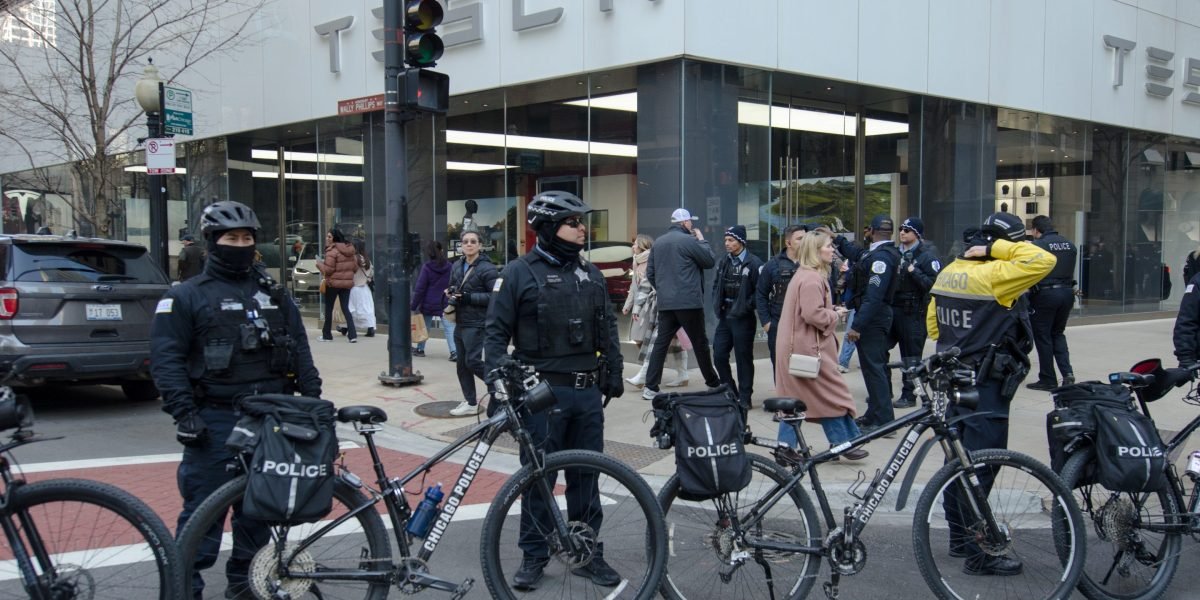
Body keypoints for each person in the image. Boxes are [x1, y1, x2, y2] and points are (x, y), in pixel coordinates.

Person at [150, 200, 322, 598]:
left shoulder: (273, 293)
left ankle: (245, 591)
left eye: (247, 238)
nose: (240, 244)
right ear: (213, 242)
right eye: (232, 237)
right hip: (216, 422)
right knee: (201, 519)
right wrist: (184, 414)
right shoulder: (186, 296)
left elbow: (299, 348)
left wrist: (312, 403)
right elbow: (166, 358)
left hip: (272, 422)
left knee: (257, 519)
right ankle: (182, 592)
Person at [484, 191, 624, 590]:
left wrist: (612, 368)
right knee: (538, 480)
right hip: (541, 395)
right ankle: (534, 554)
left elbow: (608, 328)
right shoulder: (518, 273)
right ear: (547, 228)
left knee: (588, 477)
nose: (583, 229)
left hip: (587, 394)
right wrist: (500, 383)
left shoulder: (590, 273)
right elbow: (493, 337)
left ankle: (587, 552)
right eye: (573, 222)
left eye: (582, 222)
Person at [927, 211, 1054, 576]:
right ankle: (979, 554)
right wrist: (998, 249)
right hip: (985, 386)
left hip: (951, 379)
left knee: (957, 463)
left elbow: (933, 325)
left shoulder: (950, 270)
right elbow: (1043, 259)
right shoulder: (998, 275)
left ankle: (959, 539)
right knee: (980, 467)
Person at [774, 232, 869, 460]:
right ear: (816, 252)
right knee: (831, 396)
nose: (832, 250)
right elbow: (812, 314)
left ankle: (793, 447)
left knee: (804, 400)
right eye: (828, 246)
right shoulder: (812, 279)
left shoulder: (806, 275)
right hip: (807, 352)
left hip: (799, 350)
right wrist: (835, 315)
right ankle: (842, 443)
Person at [640, 208, 722, 401]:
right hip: (688, 302)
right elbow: (709, 260)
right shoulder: (689, 240)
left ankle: (650, 387)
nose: (692, 225)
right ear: (684, 223)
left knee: (660, 344)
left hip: (666, 302)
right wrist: (702, 239)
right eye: (690, 222)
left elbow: (650, 273)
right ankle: (713, 383)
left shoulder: (659, 242)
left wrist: (663, 290)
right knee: (700, 343)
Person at [833, 215, 900, 434]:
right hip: (873, 316)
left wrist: (857, 326)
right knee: (872, 369)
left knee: (875, 368)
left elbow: (874, 296)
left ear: (871, 230)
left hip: (874, 318)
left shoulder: (882, 258)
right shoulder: (879, 253)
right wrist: (838, 240)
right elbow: (859, 255)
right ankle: (874, 413)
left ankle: (885, 421)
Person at [889, 217, 940, 409]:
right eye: (901, 229)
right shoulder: (894, 253)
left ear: (917, 234)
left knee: (911, 356)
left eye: (907, 230)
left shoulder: (927, 256)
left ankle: (909, 395)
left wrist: (913, 270)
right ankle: (884, 391)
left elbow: (932, 284)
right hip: (894, 309)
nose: (902, 232)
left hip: (914, 312)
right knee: (880, 348)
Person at [448, 229, 498, 416]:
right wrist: (451, 292)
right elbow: (454, 285)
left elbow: (495, 295)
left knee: (473, 361)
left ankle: (500, 388)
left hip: (477, 322)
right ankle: (470, 403)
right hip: (460, 321)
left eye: (473, 241)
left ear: (479, 245)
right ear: (461, 245)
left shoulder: (487, 268)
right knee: (462, 364)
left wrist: (469, 297)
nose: (469, 244)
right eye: (465, 241)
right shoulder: (456, 265)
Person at [712, 224, 763, 408]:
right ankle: (730, 392)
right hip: (725, 316)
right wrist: (717, 305)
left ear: (741, 241)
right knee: (718, 355)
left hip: (743, 318)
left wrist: (746, 306)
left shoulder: (754, 263)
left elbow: (760, 292)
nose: (727, 243)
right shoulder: (724, 261)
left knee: (743, 358)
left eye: (731, 240)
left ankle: (745, 397)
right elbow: (716, 285)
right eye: (726, 240)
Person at [1026, 215, 1078, 390]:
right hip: (1067, 293)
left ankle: (1047, 378)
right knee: (1058, 333)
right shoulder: (1069, 245)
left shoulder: (1038, 245)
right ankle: (1067, 373)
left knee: (1043, 336)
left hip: (1046, 295)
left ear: (1036, 230)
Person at [757, 225, 806, 371]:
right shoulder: (772, 265)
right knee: (780, 368)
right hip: (778, 323)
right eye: (799, 239)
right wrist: (766, 322)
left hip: (804, 324)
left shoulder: (812, 263)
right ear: (788, 242)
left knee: (804, 369)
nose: (804, 242)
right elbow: (760, 294)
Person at [410, 240, 453, 358]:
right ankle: (454, 352)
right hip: (444, 301)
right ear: (442, 251)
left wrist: (413, 305)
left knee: (425, 328)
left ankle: (420, 350)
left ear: (429, 254)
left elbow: (420, 288)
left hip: (428, 303)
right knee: (449, 328)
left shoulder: (427, 267)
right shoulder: (450, 266)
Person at [316, 229, 358, 342]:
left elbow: (328, 270)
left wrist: (319, 264)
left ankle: (327, 335)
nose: (327, 239)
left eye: (329, 237)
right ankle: (352, 335)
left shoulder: (332, 251)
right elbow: (355, 268)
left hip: (333, 284)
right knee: (346, 308)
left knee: (328, 309)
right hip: (347, 284)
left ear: (334, 238)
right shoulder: (350, 250)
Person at [347, 238, 376, 338]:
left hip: (354, 288)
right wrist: (367, 279)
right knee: (367, 309)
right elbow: (371, 273)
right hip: (365, 288)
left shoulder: (353, 259)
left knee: (352, 309)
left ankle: (348, 327)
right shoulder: (367, 259)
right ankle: (370, 328)